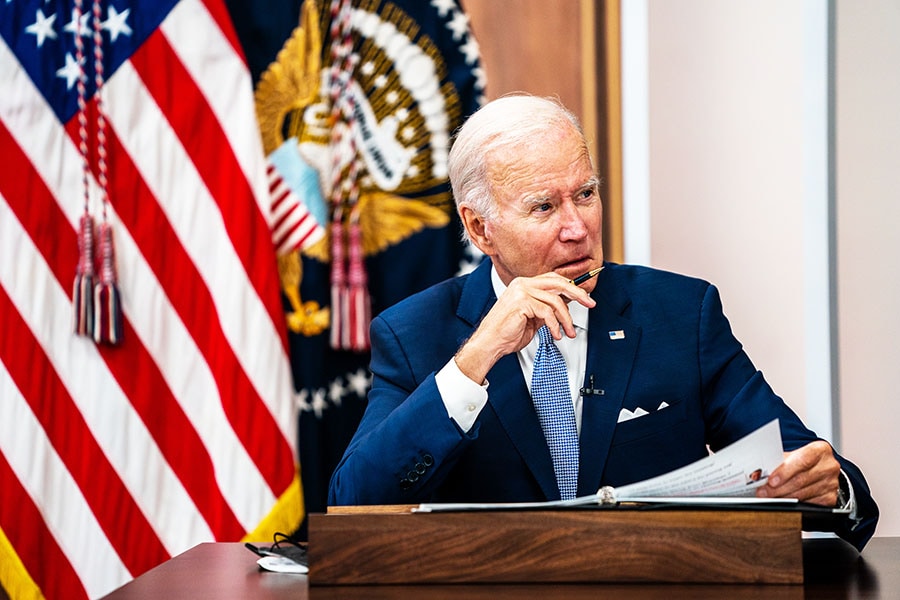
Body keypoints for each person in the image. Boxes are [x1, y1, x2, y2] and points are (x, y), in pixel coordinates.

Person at [327, 94, 878, 550]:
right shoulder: (413, 333)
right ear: (480, 229)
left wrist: (835, 487)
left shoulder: (681, 314)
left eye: (586, 195)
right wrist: (473, 361)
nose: (577, 228)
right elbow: (354, 504)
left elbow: (807, 466)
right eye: (544, 207)